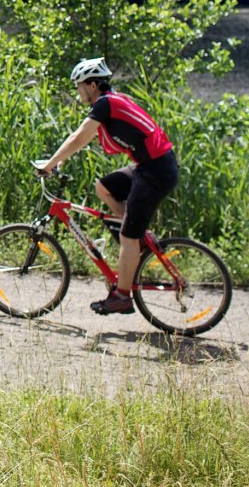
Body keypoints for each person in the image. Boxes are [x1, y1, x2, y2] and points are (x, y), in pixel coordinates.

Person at [36, 57, 179, 315]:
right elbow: (82, 138)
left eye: (79, 85)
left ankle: (122, 296)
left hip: (154, 171)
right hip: (151, 165)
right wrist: (59, 160)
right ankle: (138, 239)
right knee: (103, 187)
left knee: (127, 236)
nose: (78, 90)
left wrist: (51, 162)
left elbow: (80, 136)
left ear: (92, 84)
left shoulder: (105, 104)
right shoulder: (112, 100)